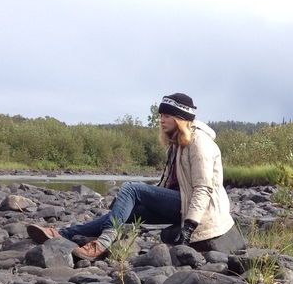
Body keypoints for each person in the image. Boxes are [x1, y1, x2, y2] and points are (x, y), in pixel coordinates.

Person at [27, 93, 245, 260]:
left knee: (131, 188)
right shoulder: (176, 144)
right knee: (128, 211)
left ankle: (101, 245)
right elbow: (169, 184)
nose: (161, 120)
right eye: (161, 115)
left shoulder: (200, 143)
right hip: (180, 203)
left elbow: (203, 188)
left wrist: (188, 227)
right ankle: (63, 234)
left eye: (166, 115)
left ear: (180, 118)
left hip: (198, 211)